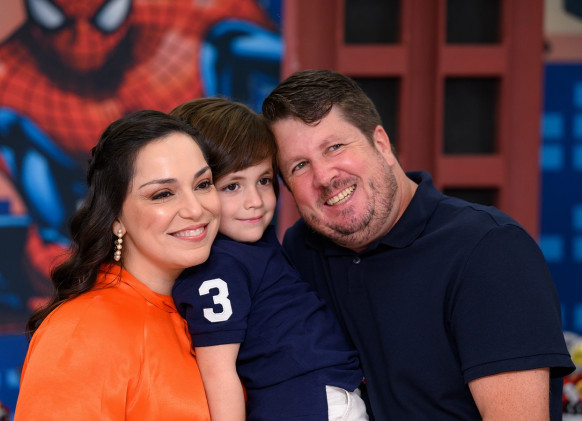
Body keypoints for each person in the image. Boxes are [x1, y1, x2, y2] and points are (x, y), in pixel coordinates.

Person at [261, 69, 576, 421]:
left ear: (381, 144)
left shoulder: (489, 249)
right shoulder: (302, 251)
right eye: (299, 166)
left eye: (334, 147)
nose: (323, 177)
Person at [170, 97, 368, 421]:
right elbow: (218, 373)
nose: (255, 201)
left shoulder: (252, 245)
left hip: (325, 397)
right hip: (310, 406)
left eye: (263, 180)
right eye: (232, 186)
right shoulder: (218, 267)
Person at [14, 110, 221, 420]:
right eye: (163, 194)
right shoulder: (81, 331)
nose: (195, 209)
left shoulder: (214, 306)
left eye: (203, 184)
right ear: (116, 218)